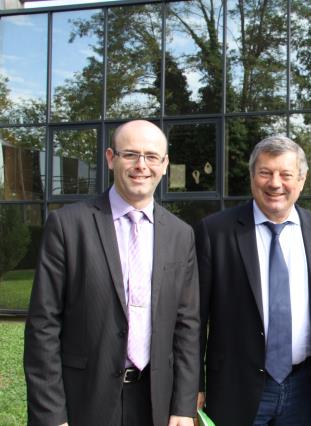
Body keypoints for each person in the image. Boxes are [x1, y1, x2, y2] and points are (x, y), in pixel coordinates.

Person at [24, 120, 200, 426]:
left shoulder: (180, 234)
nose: (141, 166)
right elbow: (43, 325)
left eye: (151, 156)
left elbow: (187, 327)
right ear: (110, 158)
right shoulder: (67, 226)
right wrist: (52, 416)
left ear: (165, 164)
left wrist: (183, 407)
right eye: (130, 154)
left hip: (155, 401)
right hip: (85, 400)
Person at [195, 135, 311, 425]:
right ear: (252, 176)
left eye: (286, 174)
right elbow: (195, 317)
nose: (275, 183)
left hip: (302, 388)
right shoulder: (215, 232)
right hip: (235, 386)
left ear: (302, 179)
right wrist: (194, 383)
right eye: (265, 172)